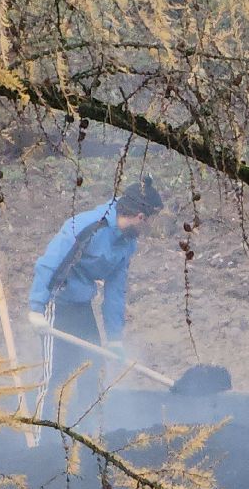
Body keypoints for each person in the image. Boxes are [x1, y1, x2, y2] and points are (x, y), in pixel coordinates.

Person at [26, 177, 164, 421]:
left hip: (80, 304)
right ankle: (41, 435)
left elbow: (115, 292)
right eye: (151, 221)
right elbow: (50, 263)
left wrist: (114, 339)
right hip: (56, 303)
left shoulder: (127, 243)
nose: (150, 227)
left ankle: (86, 435)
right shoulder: (88, 226)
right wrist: (37, 308)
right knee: (56, 372)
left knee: (93, 368)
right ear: (140, 217)